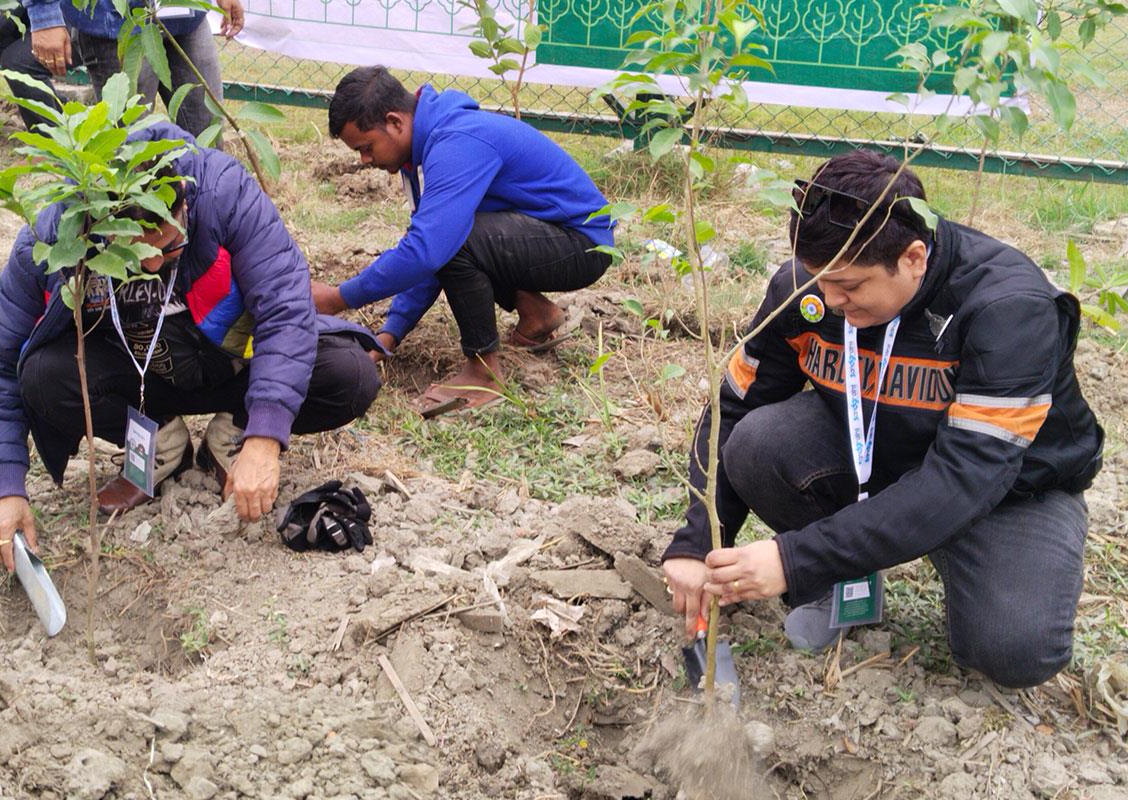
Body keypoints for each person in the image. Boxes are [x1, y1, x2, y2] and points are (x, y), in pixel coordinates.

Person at [662, 149, 1103, 688]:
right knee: (757, 442)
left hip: (1006, 491)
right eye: (819, 277)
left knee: (1012, 649)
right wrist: (697, 538)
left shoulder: (1008, 309)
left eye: (849, 286)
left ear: (914, 258)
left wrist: (794, 558)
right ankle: (846, 577)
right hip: (878, 457)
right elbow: (735, 404)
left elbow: (964, 480)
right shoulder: (807, 288)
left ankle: (945, 552)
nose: (828, 298)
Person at [0, 120, 383, 573]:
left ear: (185, 205)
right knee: (43, 376)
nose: (149, 264)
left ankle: (231, 437)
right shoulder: (52, 237)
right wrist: (4, 487)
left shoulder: (226, 195)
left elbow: (286, 310)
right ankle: (160, 445)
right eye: (129, 253)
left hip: (233, 367)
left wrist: (264, 438)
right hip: (141, 381)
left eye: (166, 249)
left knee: (349, 372)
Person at [314, 65, 615, 415]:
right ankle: (537, 313)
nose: (365, 160)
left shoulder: (456, 142)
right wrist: (390, 334)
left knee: (454, 241)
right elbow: (427, 254)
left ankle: (483, 374)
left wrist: (338, 298)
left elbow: (430, 251)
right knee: (450, 235)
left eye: (366, 148)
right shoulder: (425, 148)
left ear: (395, 122)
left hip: (582, 242)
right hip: (549, 235)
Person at [15, 0, 243, 135]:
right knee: (131, 147)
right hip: (114, 23)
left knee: (208, 131)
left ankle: (198, 213)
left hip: (184, 14)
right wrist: (44, 13)